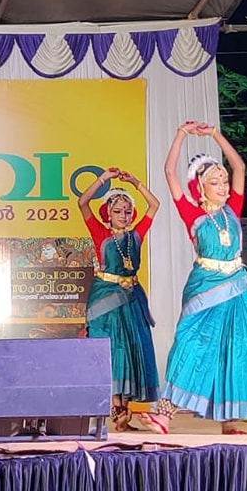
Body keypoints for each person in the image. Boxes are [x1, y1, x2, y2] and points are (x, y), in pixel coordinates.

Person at [134, 121, 247, 435]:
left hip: (236, 289)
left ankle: (229, 421)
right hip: (205, 287)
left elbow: (239, 166)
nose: (223, 186)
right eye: (215, 182)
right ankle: (164, 415)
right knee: (191, 345)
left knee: (233, 349)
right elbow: (170, 172)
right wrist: (180, 134)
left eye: (224, 181)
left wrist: (214, 135)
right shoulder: (192, 214)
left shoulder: (233, 209)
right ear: (200, 187)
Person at [77, 167, 161, 431]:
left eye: (127, 211)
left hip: (132, 300)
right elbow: (82, 203)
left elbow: (155, 205)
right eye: (117, 211)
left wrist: (135, 182)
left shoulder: (136, 236)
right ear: (108, 213)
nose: (123, 216)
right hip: (106, 300)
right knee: (114, 350)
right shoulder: (100, 234)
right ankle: (116, 409)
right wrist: (103, 180)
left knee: (131, 350)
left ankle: (124, 414)